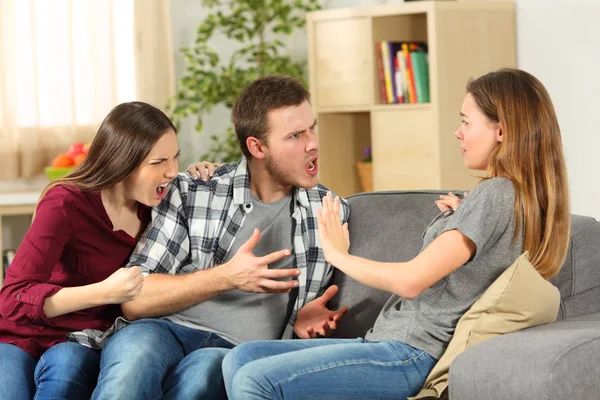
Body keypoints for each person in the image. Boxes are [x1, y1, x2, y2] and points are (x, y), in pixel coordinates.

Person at [222, 68, 571, 400]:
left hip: (410, 353)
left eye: (466, 121)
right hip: (389, 344)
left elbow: (412, 281)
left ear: (502, 131)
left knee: (254, 377)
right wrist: (461, 214)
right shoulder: (510, 199)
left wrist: (338, 255)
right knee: (240, 358)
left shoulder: (495, 194)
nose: (458, 132)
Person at [89, 75, 350, 400]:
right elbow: (133, 298)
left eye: (312, 128)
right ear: (257, 147)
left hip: (236, 350)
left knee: (204, 372)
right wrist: (226, 277)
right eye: (296, 136)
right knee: (133, 362)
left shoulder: (330, 213)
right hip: (162, 331)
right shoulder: (195, 191)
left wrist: (303, 314)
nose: (313, 143)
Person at [0, 101, 218, 400]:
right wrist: (103, 292)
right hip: (24, 334)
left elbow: (202, 196)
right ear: (122, 161)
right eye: (158, 162)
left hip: (84, 343)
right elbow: (13, 297)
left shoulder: (160, 206)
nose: (171, 171)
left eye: (175, 158)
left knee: (65, 370)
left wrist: (209, 178)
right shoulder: (65, 203)